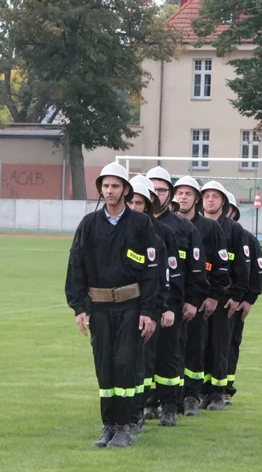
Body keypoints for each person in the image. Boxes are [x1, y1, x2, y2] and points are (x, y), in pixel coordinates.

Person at [65, 162, 159, 448]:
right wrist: (80, 308)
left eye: (115, 186)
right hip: (100, 307)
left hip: (130, 306)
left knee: (125, 364)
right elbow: (75, 267)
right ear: (100, 189)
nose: (109, 191)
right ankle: (109, 425)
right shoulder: (89, 225)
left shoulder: (141, 224)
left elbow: (152, 271)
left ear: (125, 190)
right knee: (105, 367)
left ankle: (128, 424)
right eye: (105, 186)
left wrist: (148, 312)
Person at [147, 168, 210, 416]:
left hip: (174, 303)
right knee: (143, 356)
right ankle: (147, 403)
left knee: (171, 354)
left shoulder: (182, 227)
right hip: (143, 303)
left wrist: (192, 301)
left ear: (169, 194)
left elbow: (197, 268)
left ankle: (171, 403)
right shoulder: (138, 224)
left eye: (161, 190)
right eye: (152, 189)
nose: (156, 194)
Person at [128, 175, 183, 427]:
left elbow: (171, 272)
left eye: (140, 203)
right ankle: (141, 407)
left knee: (165, 356)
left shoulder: (163, 232)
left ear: (149, 203)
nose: (135, 207)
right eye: (132, 202)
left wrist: (169, 306)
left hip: (159, 306)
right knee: (138, 360)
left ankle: (169, 406)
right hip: (130, 306)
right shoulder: (120, 230)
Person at [173, 176, 230, 415]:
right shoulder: (168, 224)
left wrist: (214, 296)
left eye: (188, 193)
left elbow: (221, 264)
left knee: (196, 348)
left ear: (196, 198)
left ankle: (192, 396)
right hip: (173, 298)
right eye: (180, 193)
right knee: (171, 351)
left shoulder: (209, 227)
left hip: (198, 300)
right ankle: (170, 397)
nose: (183, 197)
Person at [199, 181, 251, 411]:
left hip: (224, 299)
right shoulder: (195, 227)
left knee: (220, 346)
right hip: (199, 297)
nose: (210, 200)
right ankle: (201, 391)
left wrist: (238, 296)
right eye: (207, 196)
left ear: (223, 202)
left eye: (215, 196)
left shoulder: (234, 230)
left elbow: (242, 265)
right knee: (199, 346)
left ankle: (218, 394)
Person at [224, 190, 262, 404]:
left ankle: (226, 388)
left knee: (230, 345)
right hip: (212, 300)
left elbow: (259, 273)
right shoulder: (204, 232)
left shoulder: (248, 239)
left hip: (237, 302)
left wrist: (248, 299)